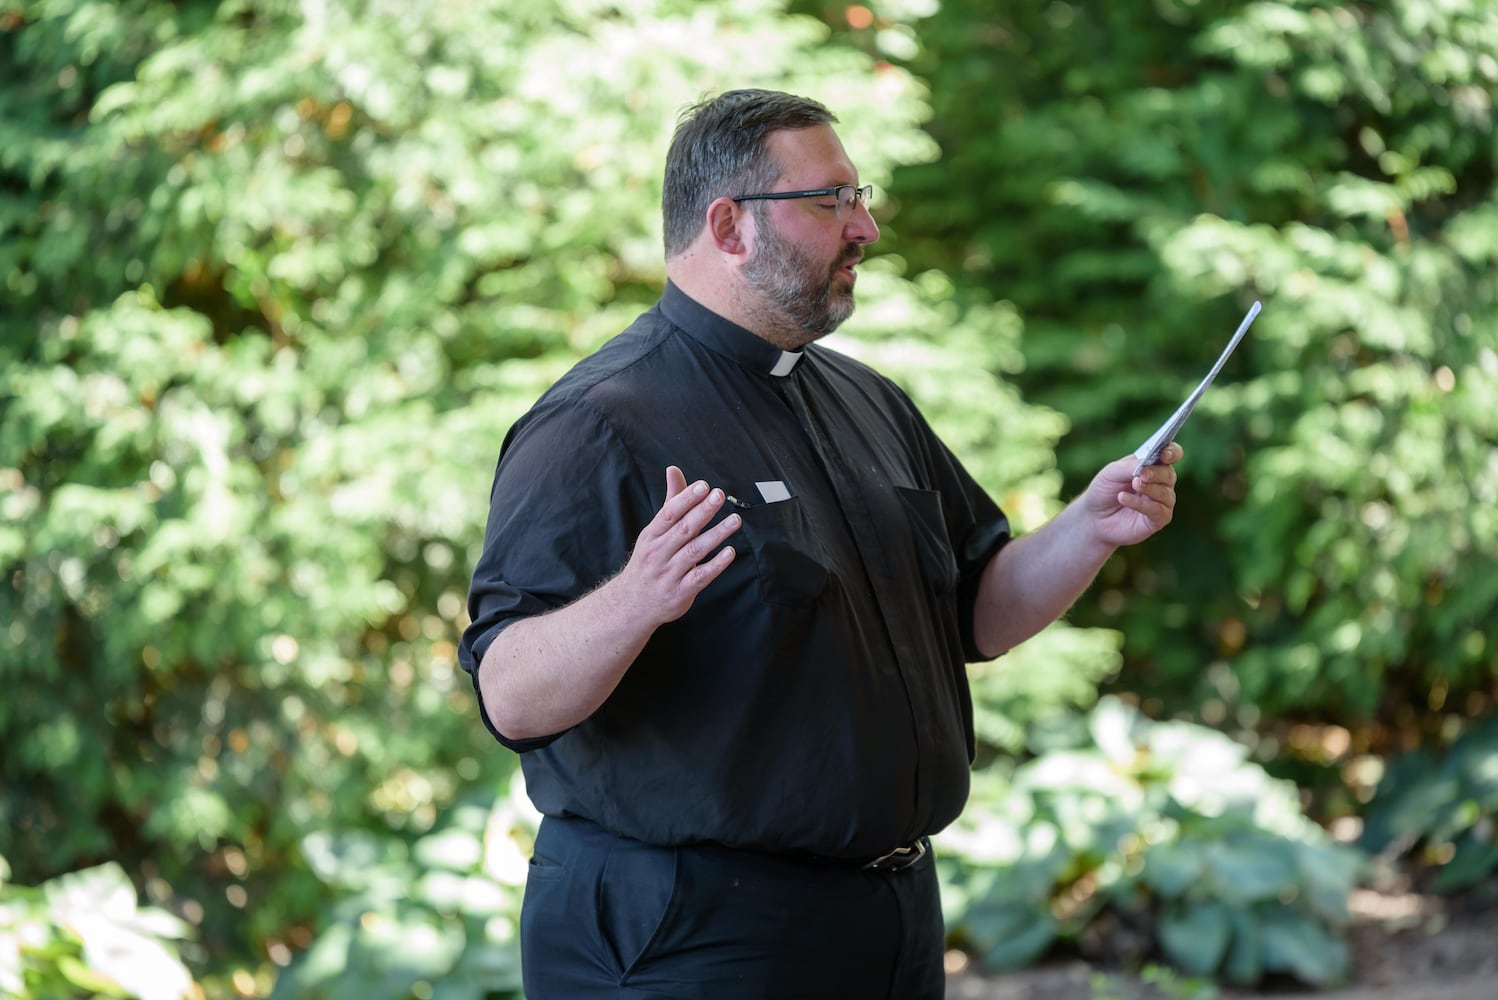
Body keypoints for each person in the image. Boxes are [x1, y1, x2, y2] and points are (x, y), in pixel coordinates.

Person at [458, 88, 1181, 999]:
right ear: (729, 226)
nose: (866, 228)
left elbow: (976, 615)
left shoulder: (870, 401)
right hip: (691, 941)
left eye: (859, 196)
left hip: (890, 924)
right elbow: (511, 694)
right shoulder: (598, 423)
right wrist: (635, 598)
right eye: (831, 200)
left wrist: (1090, 527)